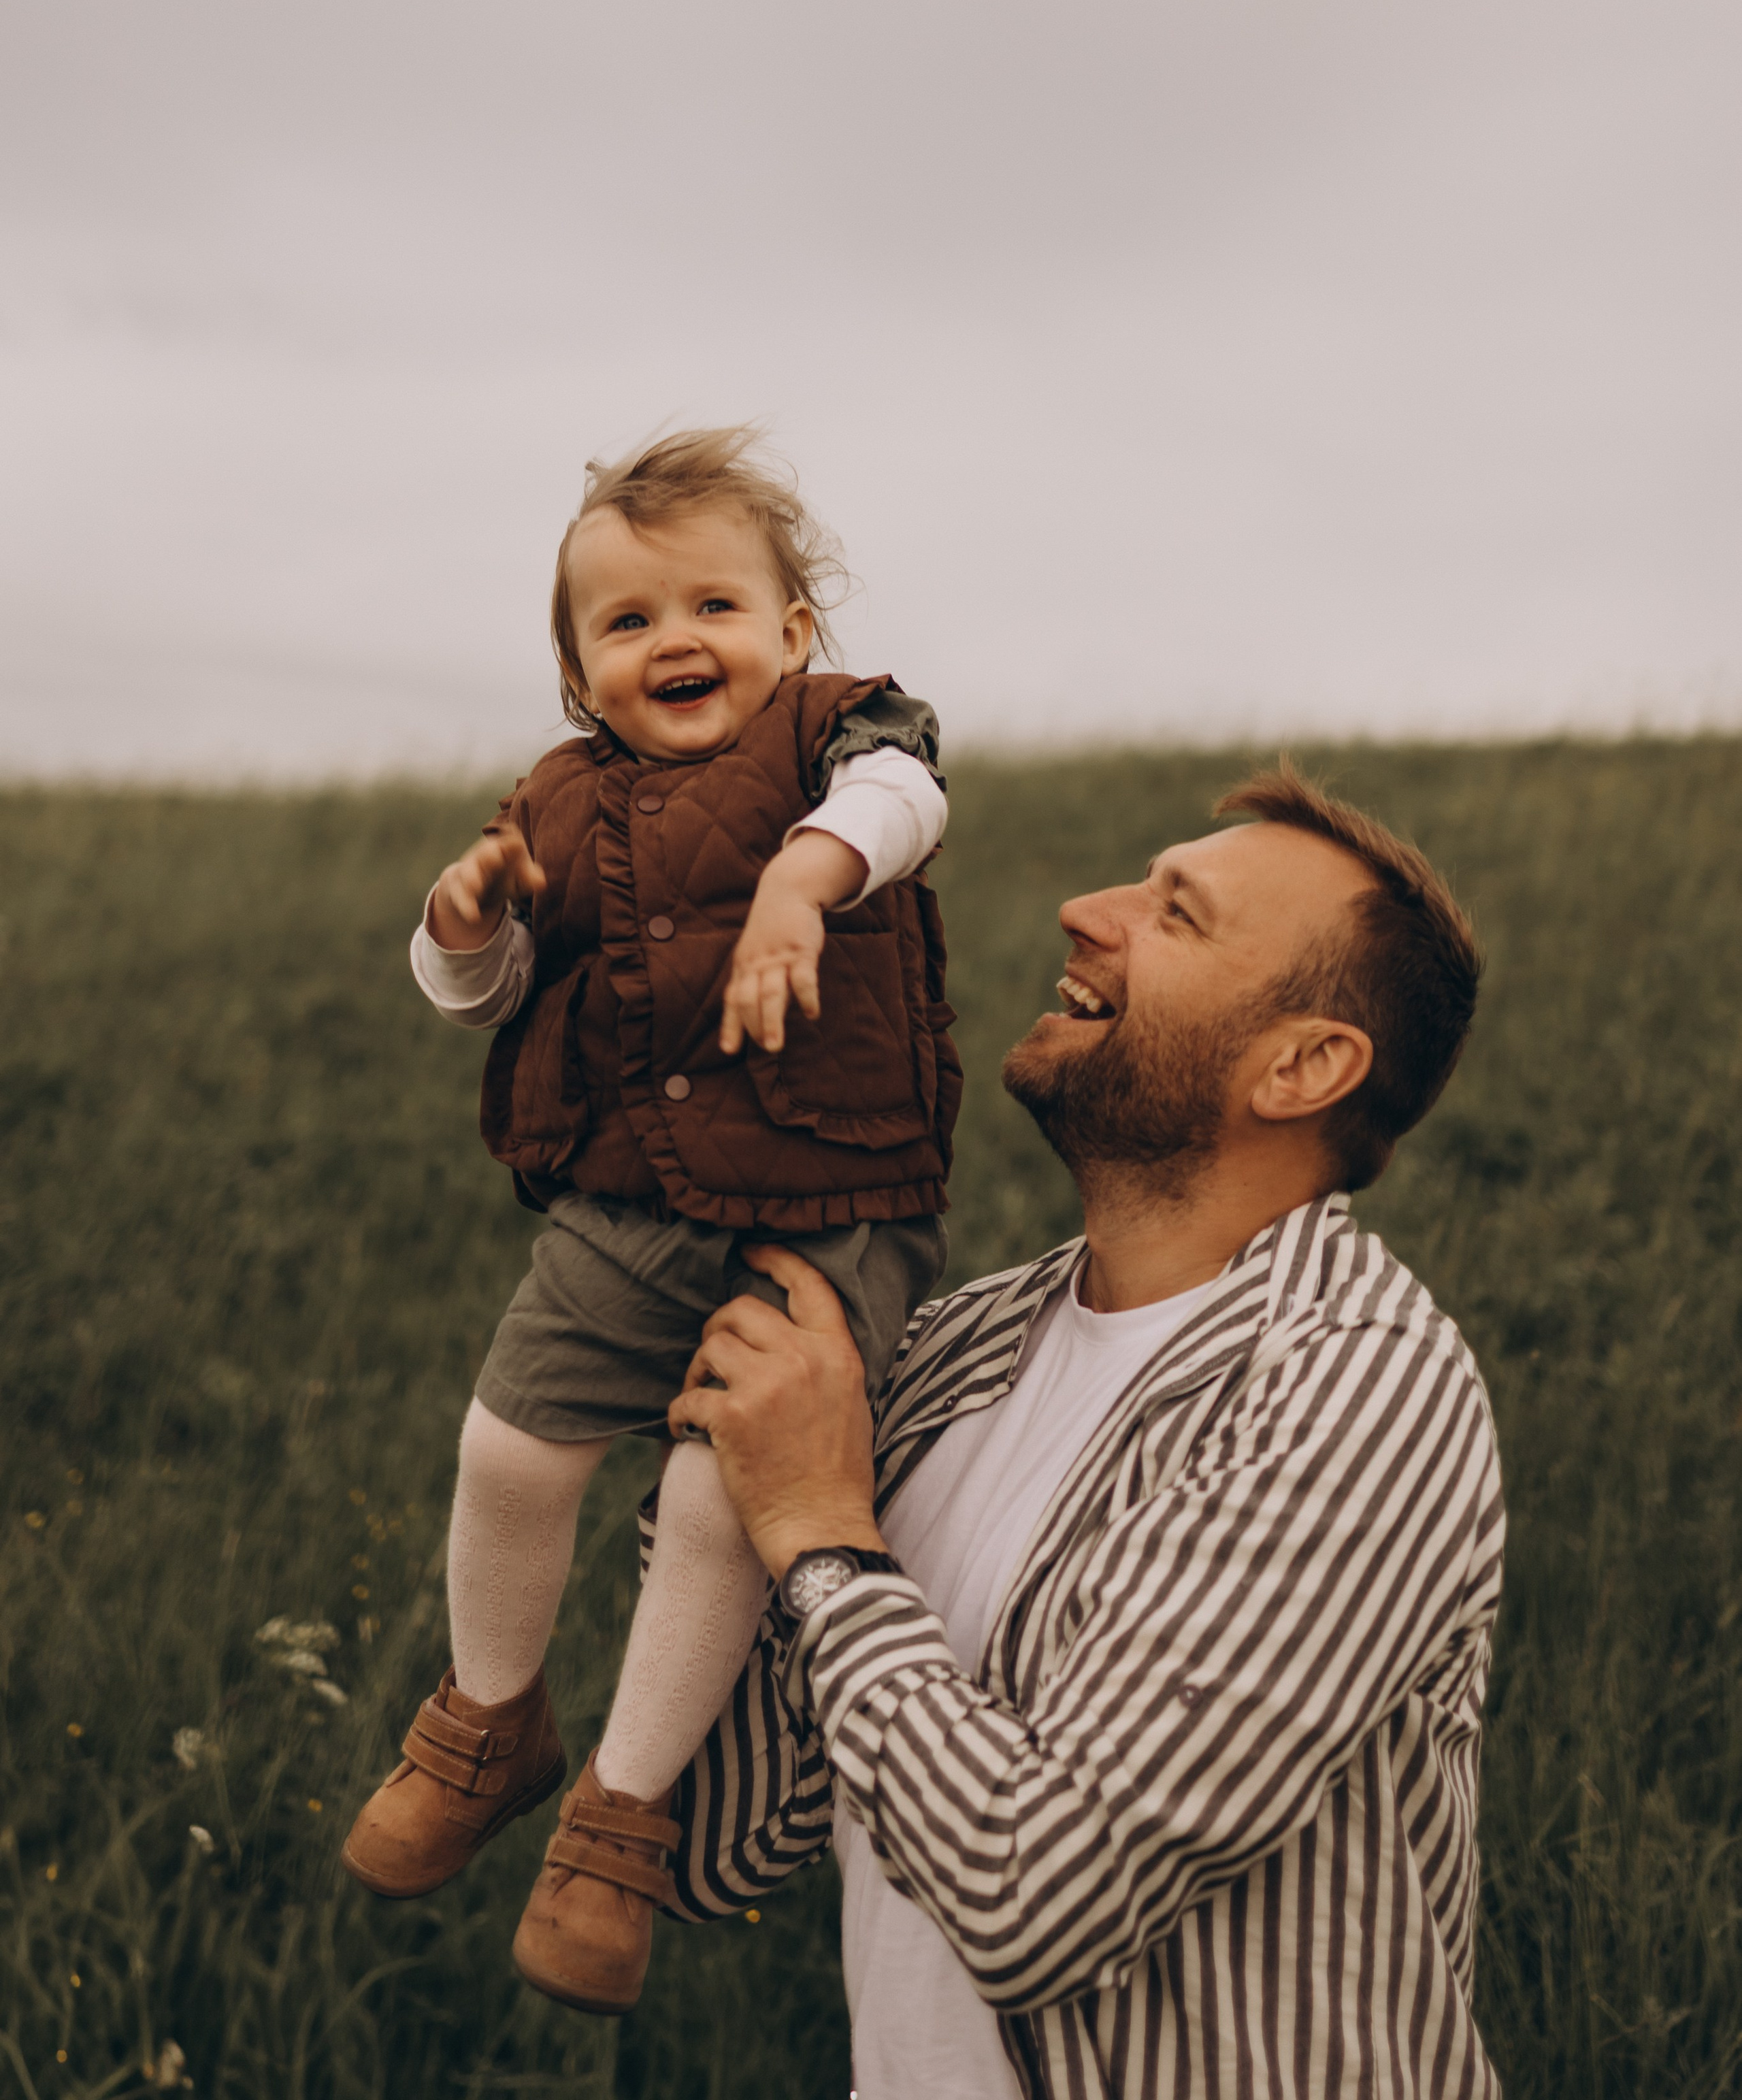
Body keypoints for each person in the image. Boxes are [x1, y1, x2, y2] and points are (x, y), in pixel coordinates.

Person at [661, 764, 1504, 2100]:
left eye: (1173, 913)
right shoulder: (954, 1348)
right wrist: (719, 1474)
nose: (1081, 910)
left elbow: (1033, 1893)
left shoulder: (1351, 1391)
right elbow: (723, 1847)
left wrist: (820, 1534)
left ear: (1298, 1067)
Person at [338, 427, 960, 2018]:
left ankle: (619, 1813)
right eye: (624, 624)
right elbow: (484, 998)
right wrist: (459, 926)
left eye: (713, 606)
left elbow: (906, 799)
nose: (674, 640)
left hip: (825, 1205)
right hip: (628, 1202)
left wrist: (795, 886)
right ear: (578, 673)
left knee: (714, 1499)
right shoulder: (556, 804)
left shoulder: (845, 735)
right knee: (506, 1450)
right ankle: (489, 1722)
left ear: (790, 634)